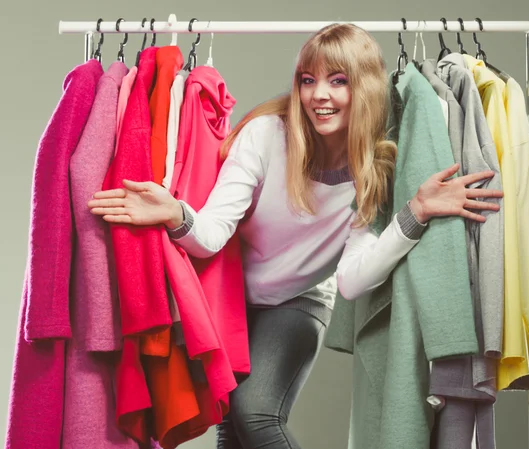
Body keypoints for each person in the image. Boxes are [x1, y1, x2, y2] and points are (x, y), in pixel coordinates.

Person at [88, 23, 502, 449]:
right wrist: (176, 213)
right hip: (231, 298)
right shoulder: (267, 134)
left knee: (256, 412)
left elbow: (353, 280)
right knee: (232, 424)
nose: (319, 95)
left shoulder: (376, 166)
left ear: (365, 88)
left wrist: (415, 212)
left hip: (300, 299)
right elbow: (211, 234)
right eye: (309, 80)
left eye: (337, 81)